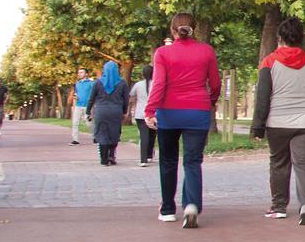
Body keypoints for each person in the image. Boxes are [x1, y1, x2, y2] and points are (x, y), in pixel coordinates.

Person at [251, 17, 305, 226]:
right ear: (301, 38)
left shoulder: (269, 62)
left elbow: (263, 96)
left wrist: (258, 126)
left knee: (279, 163)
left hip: (278, 121)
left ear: (279, 38)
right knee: (304, 164)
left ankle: (278, 207)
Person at [145, 12, 221, 228]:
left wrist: (150, 110)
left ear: (172, 30)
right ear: (194, 29)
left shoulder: (162, 53)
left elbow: (159, 83)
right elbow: (214, 83)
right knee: (193, 161)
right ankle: (191, 205)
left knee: (168, 161)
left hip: (168, 112)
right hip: (197, 111)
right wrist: (211, 101)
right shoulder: (206, 51)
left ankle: (168, 209)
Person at [87, 62, 129, 166]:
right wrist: (124, 111)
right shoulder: (122, 83)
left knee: (102, 134)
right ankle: (111, 155)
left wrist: (88, 111)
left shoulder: (98, 83)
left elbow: (91, 99)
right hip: (116, 111)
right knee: (114, 133)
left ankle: (104, 159)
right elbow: (126, 100)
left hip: (101, 111)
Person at [129, 65, 155, 166]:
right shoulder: (156, 84)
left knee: (144, 136)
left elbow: (132, 96)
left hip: (140, 113)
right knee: (152, 134)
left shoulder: (138, 85)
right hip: (153, 113)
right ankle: (149, 155)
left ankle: (143, 159)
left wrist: (131, 109)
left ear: (142, 74)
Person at [68, 68, 95, 145]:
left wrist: (93, 106)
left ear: (86, 74)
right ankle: (75, 140)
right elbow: (76, 93)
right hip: (78, 106)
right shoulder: (77, 83)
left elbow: (94, 94)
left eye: (81, 72)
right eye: (78, 72)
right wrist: (75, 96)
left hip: (87, 106)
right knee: (75, 123)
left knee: (89, 123)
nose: (79, 74)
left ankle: (95, 137)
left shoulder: (91, 83)